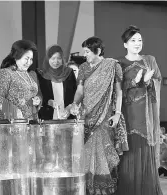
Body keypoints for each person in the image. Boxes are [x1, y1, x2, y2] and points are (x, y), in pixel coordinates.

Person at [66, 36, 128, 195]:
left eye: (87, 52)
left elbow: (119, 92)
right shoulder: (84, 68)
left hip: (104, 116)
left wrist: (117, 113)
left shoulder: (112, 66)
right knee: (86, 153)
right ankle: (87, 189)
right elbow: (80, 91)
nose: (84, 55)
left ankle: (102, 190)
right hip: (86, 116)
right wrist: (74, 104)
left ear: (98, 51)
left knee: (101, 155)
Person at [116, 25, 163, 195]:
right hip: (128, 115)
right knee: (129, 154)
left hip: (146, 115)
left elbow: (157, 83)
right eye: (133, 40)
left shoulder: (150, 60)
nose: (137, 43)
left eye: (140, 40)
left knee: (145, 150)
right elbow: (117, 90)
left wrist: (149, 81)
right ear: (125, 44)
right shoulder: (119, 63)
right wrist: (135, 81)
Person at [0, 40, 41, 120]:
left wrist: (37, 100)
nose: (29, 62)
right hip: (12, 122)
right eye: (26, 58)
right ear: (16, 56)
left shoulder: (29, 75)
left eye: (31, 59)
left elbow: (33, 94)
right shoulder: (6, 73)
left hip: (32, 121)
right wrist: (14, 112)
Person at [36, 44, 77, 120]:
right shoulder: (41, 74)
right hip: (47, 117)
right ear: (48, 59)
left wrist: (70, 107)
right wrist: (49, 102)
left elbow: (75, 93)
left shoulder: (69, 73)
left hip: (67, 117)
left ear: (62, 59)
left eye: (59, 58)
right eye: (53, 58)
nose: (56, 61)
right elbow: (39, 95)